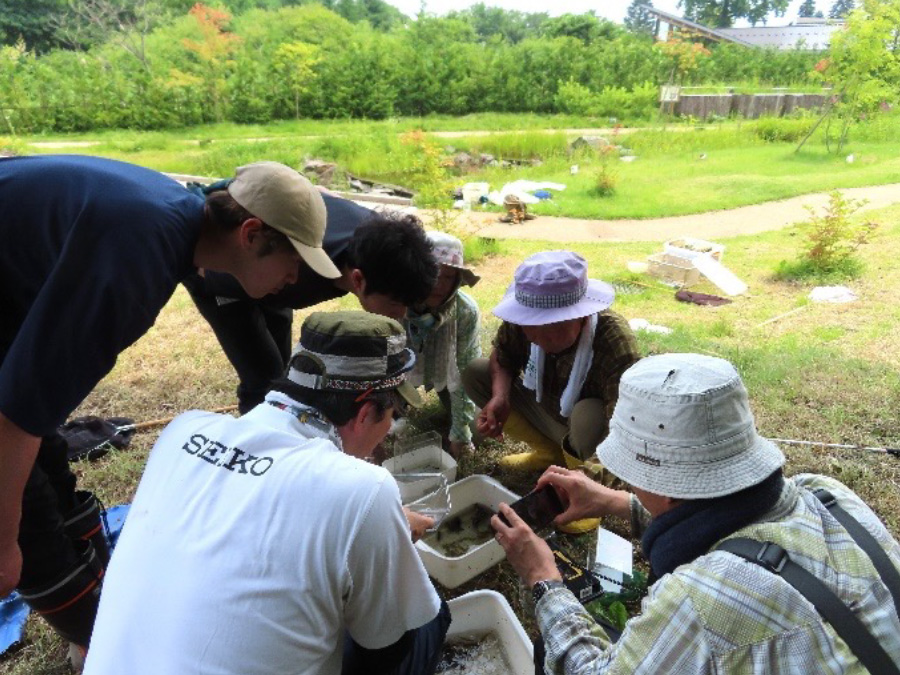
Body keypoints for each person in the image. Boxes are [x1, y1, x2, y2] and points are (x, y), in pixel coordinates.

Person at [0, 155, 335, 663]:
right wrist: (4, 543)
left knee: (46, 458)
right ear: (250, 233)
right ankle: (103, 642)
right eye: (294, 261)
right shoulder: (137, 254)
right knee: (28, 532)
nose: (295, 278)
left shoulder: (173, 222)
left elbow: (35, 404)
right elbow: (14, 417)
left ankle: (94, 610)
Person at [84, 311, 450, 675]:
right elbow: (385, 655)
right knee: (425, 617)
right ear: (366, 412)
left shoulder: (182, 431)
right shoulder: (366, 489)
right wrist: (383, 532)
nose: (389, 429)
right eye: (393, 413)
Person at [492, 353, 900, 674]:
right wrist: (612, 502)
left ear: (665, 486)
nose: (628, 484)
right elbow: (736, 527)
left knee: (557, 640)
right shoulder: (827, 493)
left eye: (631, 477)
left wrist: (543, 579)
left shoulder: (697, 599)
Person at [183, 190, 439, 414]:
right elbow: (200, 262)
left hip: (277, 284)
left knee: (283, 372)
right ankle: (260, 453)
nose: (401, 314)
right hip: (223, 281)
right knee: (263, 376)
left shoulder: (384, 245)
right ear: (358, 280)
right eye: (395, 304)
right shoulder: (299, 264)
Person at [462, 251, 640, 481]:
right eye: (530, 324)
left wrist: (590, 477)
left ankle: (584, 478)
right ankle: (550, 453)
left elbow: (624, 424)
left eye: (548, 326)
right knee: (476, 373)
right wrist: (501, 397)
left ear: (580, 316)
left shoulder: (614, 341)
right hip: (547, 412)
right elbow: (503, 355)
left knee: (587, 415)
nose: (535, 336)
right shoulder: (522, 321)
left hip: (589, 434)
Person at [405, 231, 482, 457]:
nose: (439, 285)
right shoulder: (396, 303)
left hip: (448, 378)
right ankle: (397, 409)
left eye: (448, 277)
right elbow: (382, 362)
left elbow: (464, 368)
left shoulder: (465, 311)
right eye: (434, 275)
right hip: (399, 375)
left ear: (457, 280)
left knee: (477, 431)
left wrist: (460, 435)